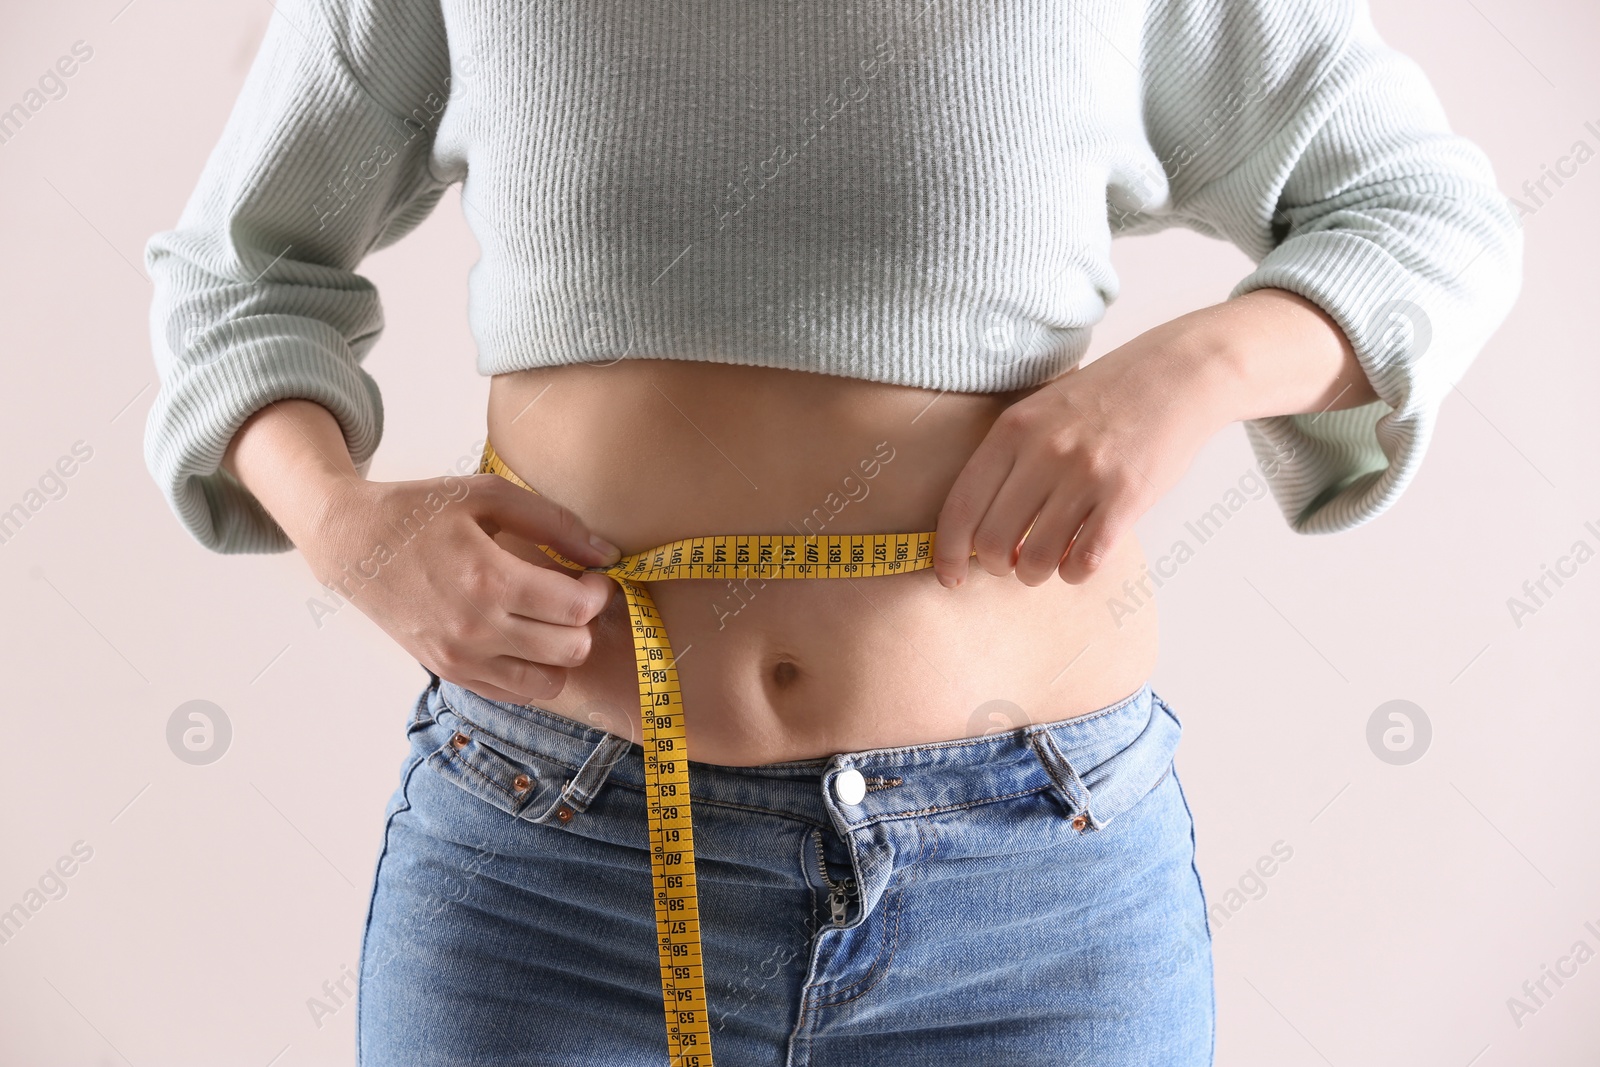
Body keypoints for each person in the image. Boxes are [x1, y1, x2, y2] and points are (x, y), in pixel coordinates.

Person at [141, 0, 1521, 1063]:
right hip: (553, 874)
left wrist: (1191, 371)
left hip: (1034, 906)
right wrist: (346, 527)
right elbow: (236, 273)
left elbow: (1425, 211)